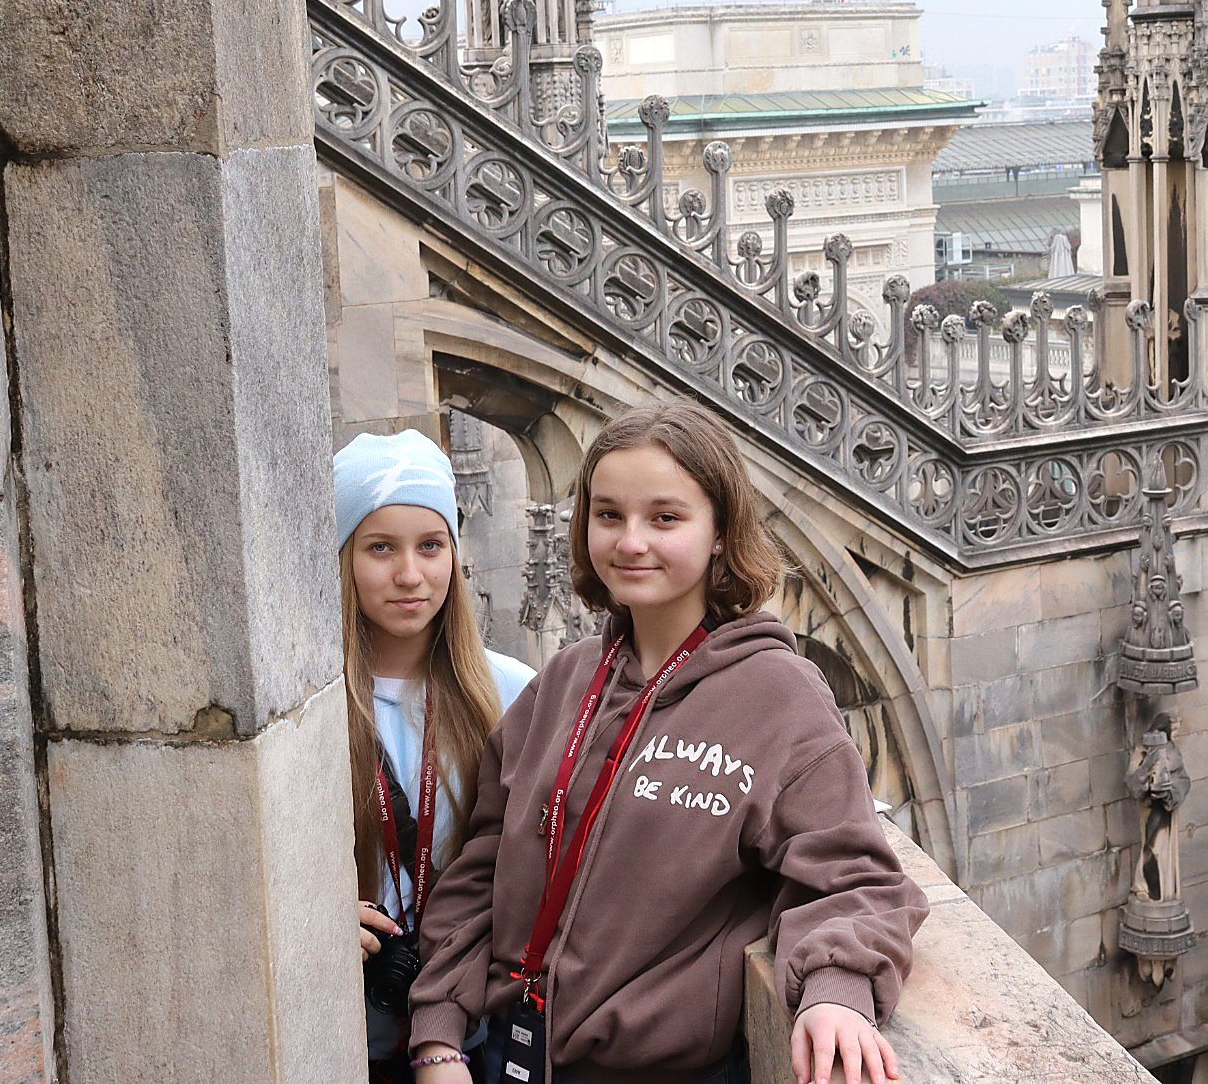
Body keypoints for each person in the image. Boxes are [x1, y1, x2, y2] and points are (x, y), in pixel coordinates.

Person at [408, 400, 925, 1084]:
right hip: (509, 1055)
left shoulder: (778, 695)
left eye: (665, 518)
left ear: (721, 533)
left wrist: (835, 989)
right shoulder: (562, 681)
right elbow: (483, 865)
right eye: (609, 514)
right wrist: (438, 1036)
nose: (630, 542)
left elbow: (857, 874)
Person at [335, 429, 536, 1083]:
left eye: (430, 545)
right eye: (380, 547)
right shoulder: (310, 707)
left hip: (474, 1041)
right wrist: (313, 914)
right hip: (339, 1038)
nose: (410, 575)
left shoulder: (513, 692)